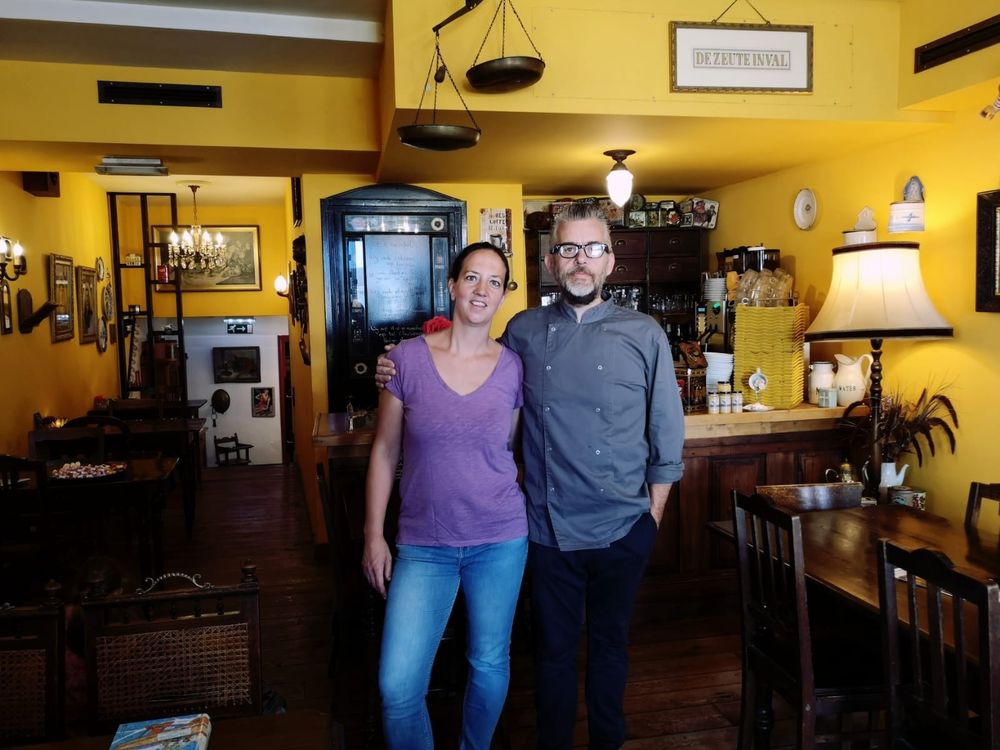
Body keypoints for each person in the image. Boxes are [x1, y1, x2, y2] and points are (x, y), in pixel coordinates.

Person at [378, 204, 685, 749]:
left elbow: (666, 431)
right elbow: (470, 356)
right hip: (547, 530)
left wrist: (652, 517)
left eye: (593, 249)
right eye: (569, 249)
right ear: (551, 262)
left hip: (622, 527)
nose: (581, 260)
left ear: (610, 261)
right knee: (552, 656)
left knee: (610, 650)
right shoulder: (523, 331)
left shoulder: (645, 333)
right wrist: (400, 361)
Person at [363, 242, 527, 750]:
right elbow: (384, 451)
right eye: (472, 277)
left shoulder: (513, 367)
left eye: (494, 281)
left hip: (499, 539)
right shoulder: (404, 361)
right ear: (452, 285)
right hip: (423, 544)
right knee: (397, 688)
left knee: (489, 663)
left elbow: (508, 447)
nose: (482, 289)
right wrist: (373, 535)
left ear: (503, 295)